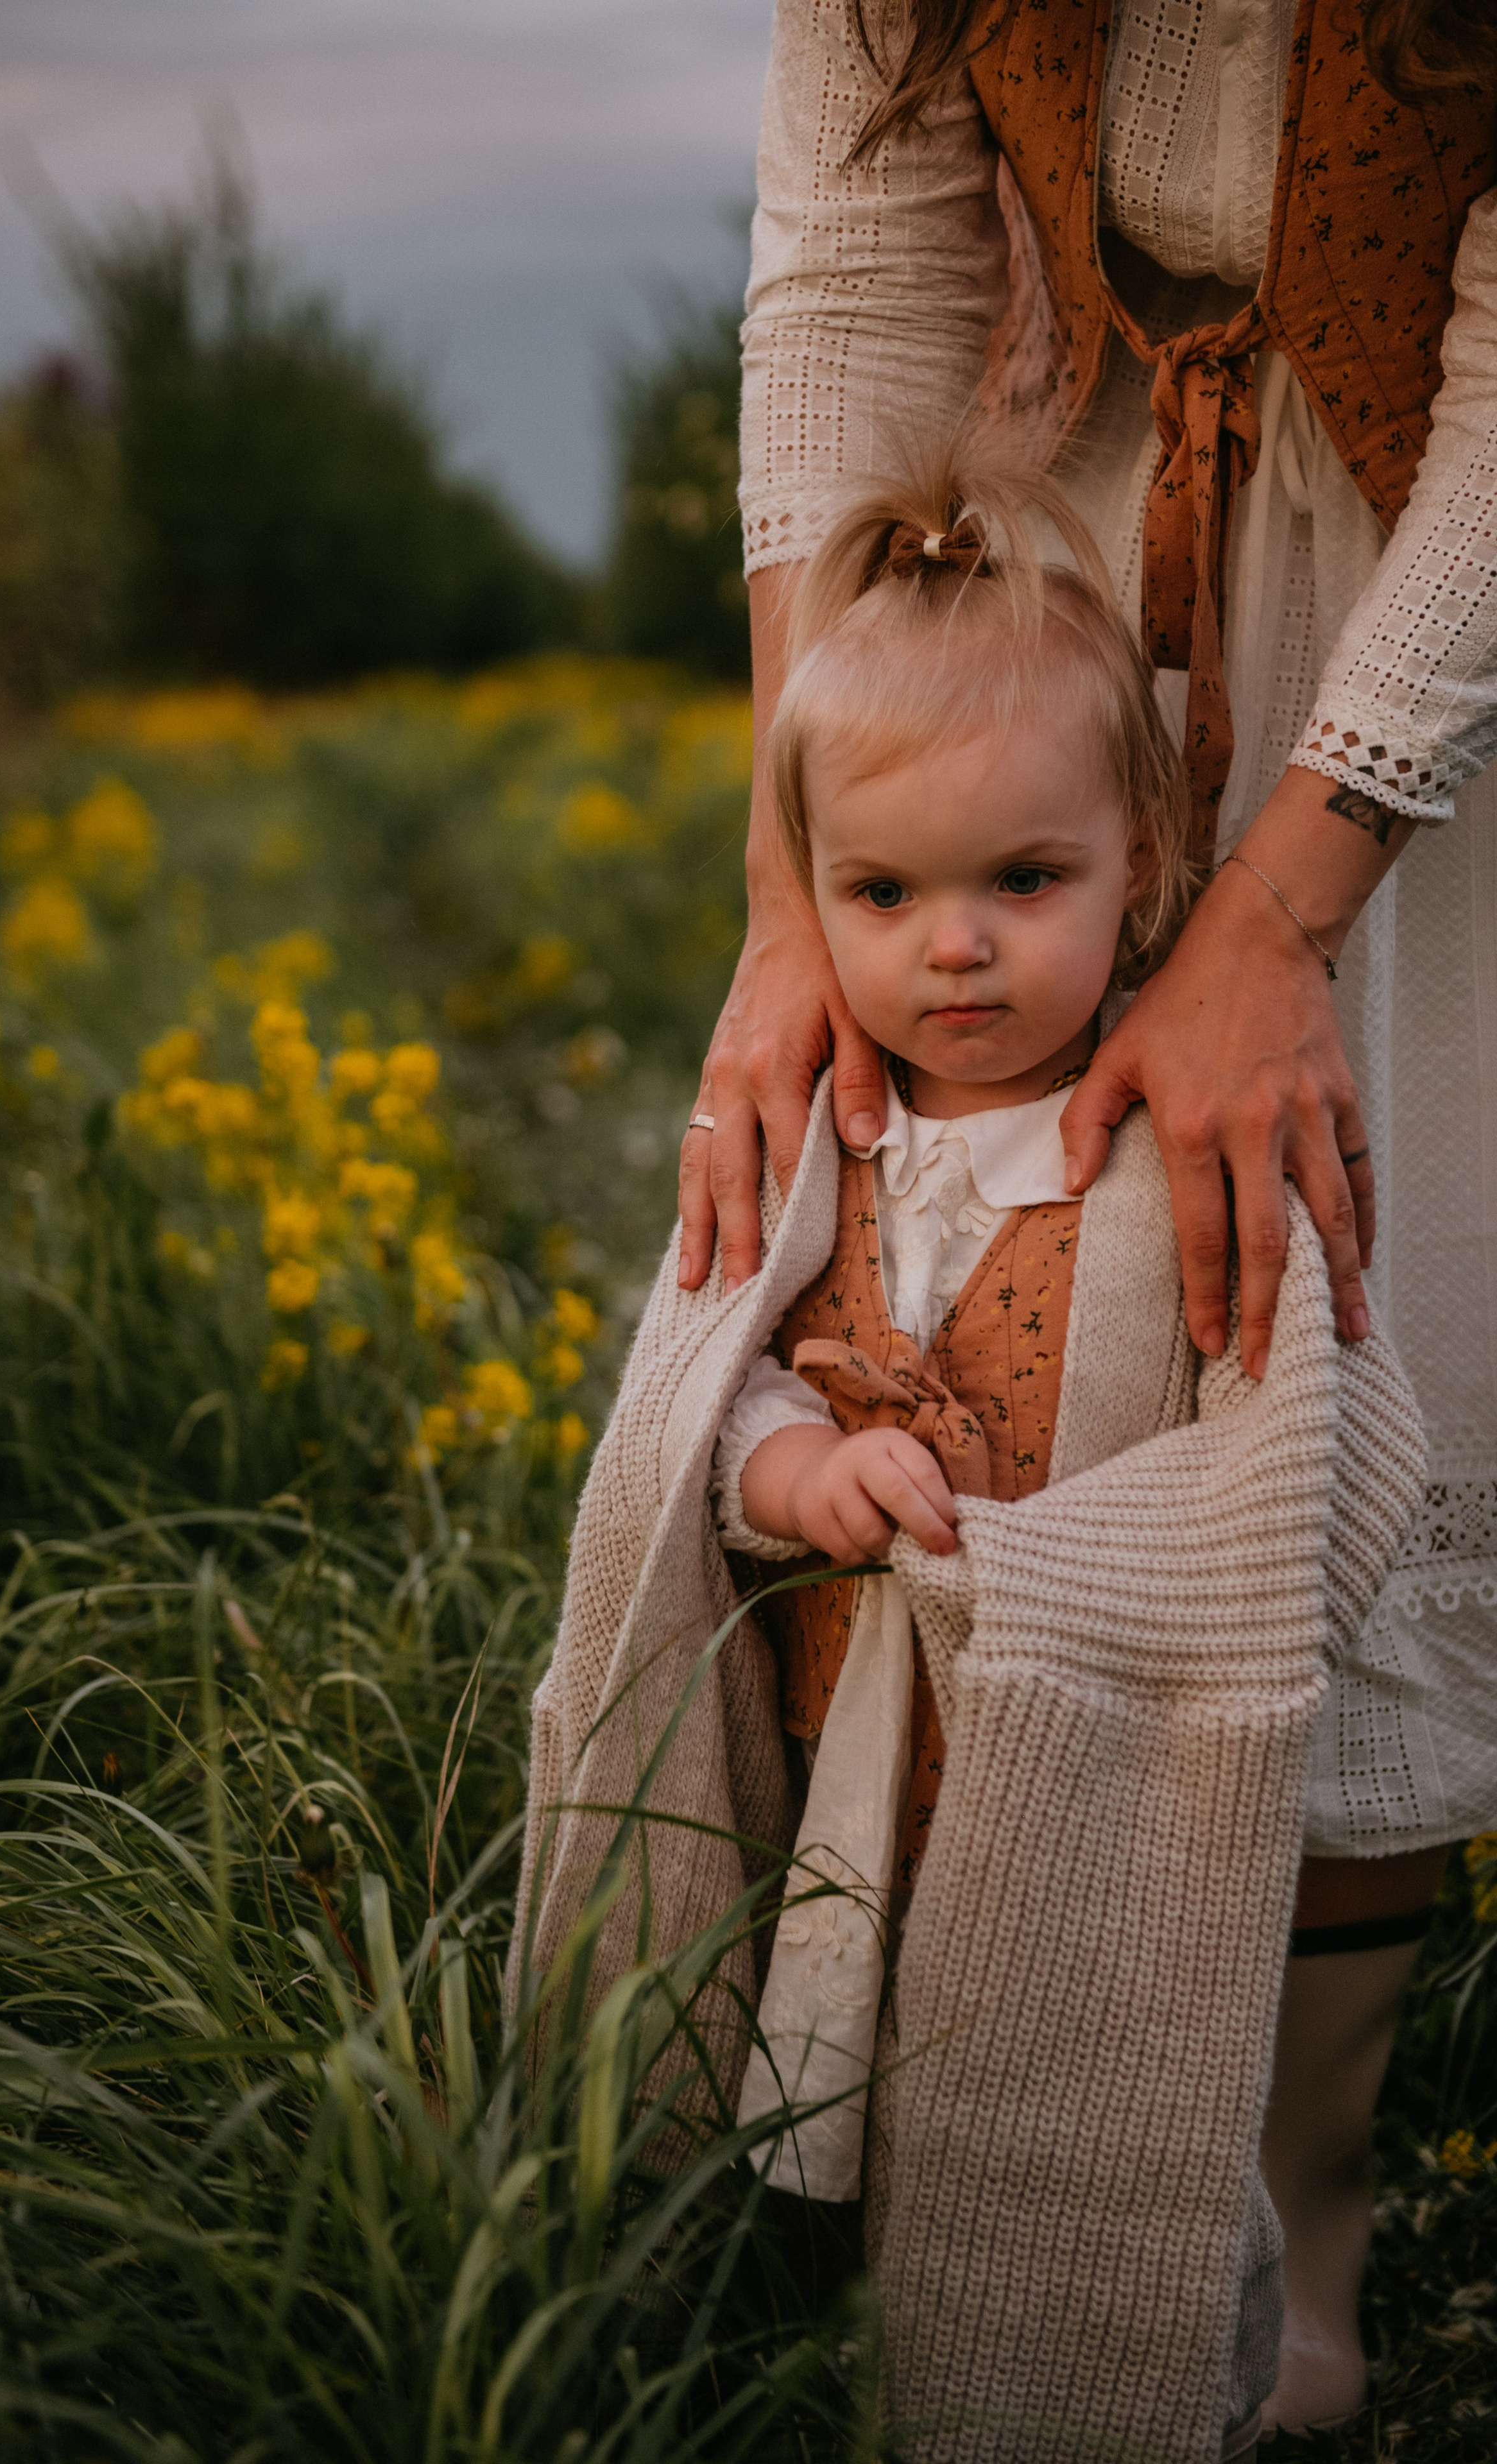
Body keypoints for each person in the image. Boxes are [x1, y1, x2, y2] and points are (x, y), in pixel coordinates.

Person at [678, 1, 1497, 2430]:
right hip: (1053, 611)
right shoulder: (964, 855)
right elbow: (849, 283)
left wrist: (1284, 888)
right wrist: (791, 885)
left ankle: (1311, 2286)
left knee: (1335, 1371)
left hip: (1432, 591)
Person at [513, 440, 1426, 2463]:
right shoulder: (824, 1149)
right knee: (833, 2032)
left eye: (1027, 882)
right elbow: (698, 1399)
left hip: (1073, 1762)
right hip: (843, 1725)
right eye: (885, 894)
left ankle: (1108, 2359)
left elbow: (1326, 1462)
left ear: (1145, 872)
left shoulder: (1171, 1156)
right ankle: (810, 2347)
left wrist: (1076, 1575)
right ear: (805, 900)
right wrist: (785, 1478)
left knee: (1060, 2079)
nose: (955, 950)